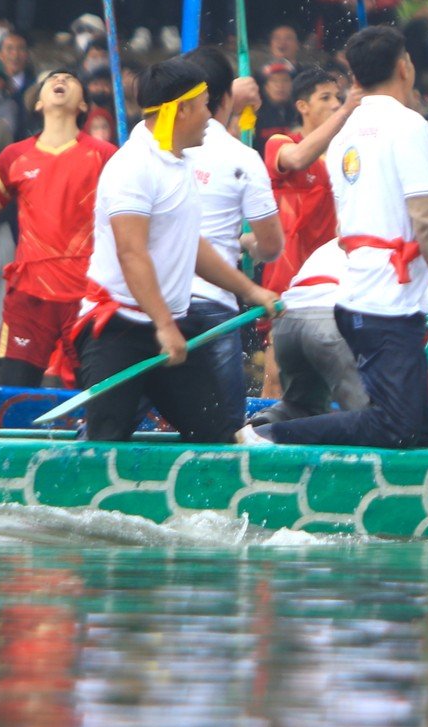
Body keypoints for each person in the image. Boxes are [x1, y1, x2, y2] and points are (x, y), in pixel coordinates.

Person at [245, 25, 428, 450]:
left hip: (357, 297)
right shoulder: (408, 125)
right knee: (393, 426)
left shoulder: (345, 132)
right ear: (404, 68)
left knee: (422, 431)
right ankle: (268, 435)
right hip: (387, 303)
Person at [69, 58, 278, 443]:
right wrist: (164, 325)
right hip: (119, 328)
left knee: (216, 434)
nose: (208, 117)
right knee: (106, 439)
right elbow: (132, 254)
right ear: (181, 110)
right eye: (202, 106)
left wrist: (250, 291)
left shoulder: (179, 162)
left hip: (171, 325)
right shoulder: (132, 166)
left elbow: (190, 245)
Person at [0, 68, 115, 387]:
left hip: (89, 295)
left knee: (97, 398)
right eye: (52, 79)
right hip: (29, 297)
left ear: (83, 106)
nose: (61, 81)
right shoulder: (14, 156)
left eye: (70, 78)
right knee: (11, 394)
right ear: (38, 103)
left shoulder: (106, 156)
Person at [182, 49, 284, 415]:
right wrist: (249, 245)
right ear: (224, 98)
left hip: (152, 302)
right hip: (212, 307)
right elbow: (271, 247)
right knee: (226, 426)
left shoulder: (145, 141)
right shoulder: (242, 157)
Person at [247, 238, 369, 423]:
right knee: (371, 418)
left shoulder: (335, 243)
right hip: (328, 321)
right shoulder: (391, 243)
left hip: (288, 322)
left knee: (300, 407)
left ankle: (261, 430)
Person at [260, 66, 359, 288]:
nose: (335, 104)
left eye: (338, 98)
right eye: (325, 98)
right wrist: (345, 111)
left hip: (334, 278)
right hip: (287, 278)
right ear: (302, 106)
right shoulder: (281, 143)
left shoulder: (349, 155)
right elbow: (297, 159)